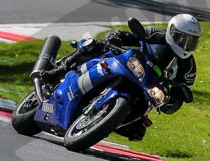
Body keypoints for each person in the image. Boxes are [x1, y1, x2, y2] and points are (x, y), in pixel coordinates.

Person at [38, 14, 201, 141]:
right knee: (93, 46)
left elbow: (181, 92)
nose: (186, 45)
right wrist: (115, 36)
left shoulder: (188, 68)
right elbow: (128, 36)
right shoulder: (156, 35)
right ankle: (57, 73)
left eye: (191, 41)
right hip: (130, 65)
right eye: (182, 38)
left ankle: (112, 121)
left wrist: (173, 101)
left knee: (138, 128)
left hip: (147, 87)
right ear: (172, 31)